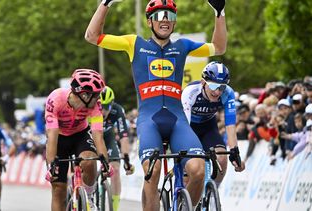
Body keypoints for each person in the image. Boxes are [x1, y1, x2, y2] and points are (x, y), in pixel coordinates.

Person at [85, 0, 228, 209]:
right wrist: (106, 3)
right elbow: (91, 36)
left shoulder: (182, 46)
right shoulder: (134, 44)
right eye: (160, 16)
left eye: (170, 16)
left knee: (198, 170)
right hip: (149, 121)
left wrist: (219, 12)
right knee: (153, 171)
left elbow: (219, 47)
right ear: (150, 21)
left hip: (177, 120)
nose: (165, 21)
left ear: (175, 22)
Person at [45, 69, 111, 211]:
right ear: (85, 95)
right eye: (97, 95)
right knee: (58, 190)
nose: (99, 98)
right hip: (59, 138)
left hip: (81, 134)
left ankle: (89, 196)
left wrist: (106, 162)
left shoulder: (95, 105)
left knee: (89, 160)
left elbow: (98, 135)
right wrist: (51, 165)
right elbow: (52, 135)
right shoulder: (55, 99)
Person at [181, 62, 245, 187]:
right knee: (190, 172)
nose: (217, 92)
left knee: (221, 159)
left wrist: (234, 152)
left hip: (208, 126)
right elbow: (185, 126)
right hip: (188, 128)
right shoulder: (191, 92)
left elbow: (230, 126)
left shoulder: (229, 94)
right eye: (214, 86)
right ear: (203, 82)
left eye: (222, 87)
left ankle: (212, 195)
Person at [99, 86, 134, 211]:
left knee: (116, 169)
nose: (102, 111)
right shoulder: (89, 110)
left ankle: (115, 207)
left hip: (107, 138)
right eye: (100, 107)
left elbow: (123, 135)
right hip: (91, 138)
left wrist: (127, 161)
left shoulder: (117, 110)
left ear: (112, 104)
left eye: (106, 107)